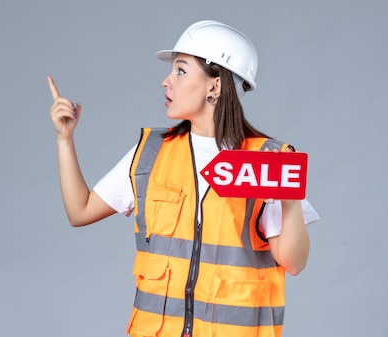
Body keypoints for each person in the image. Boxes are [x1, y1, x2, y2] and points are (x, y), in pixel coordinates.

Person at [47, 20, 319, 337]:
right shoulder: (149, 154)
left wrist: (290, 201)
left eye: (180, 70)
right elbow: (80, 211)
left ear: (214, 86)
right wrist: (64, 141)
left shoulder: (266, 159)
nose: (166, 82)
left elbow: (294, 262)